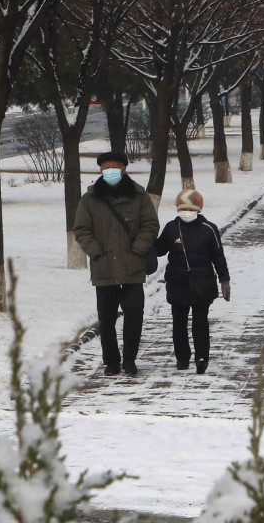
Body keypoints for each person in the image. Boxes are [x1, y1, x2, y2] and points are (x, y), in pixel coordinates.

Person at [73, 150, 160, 376]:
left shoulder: (139, 196)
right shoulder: (90, 199)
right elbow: (81, 229)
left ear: (124, 169)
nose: (109, 172)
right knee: (106, 318)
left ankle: (130, 360)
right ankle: (111, 361)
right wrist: (95, 251)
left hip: (132, 266)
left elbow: (150, 225)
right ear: (100, 171)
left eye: (114, 168)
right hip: (104, 267)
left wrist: (139, 248)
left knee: (134, 315)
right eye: (105, 168)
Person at [156, 189, 230, 374]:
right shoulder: (171, 228)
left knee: (200, 321)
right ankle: (182, 358)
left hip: (201, 283)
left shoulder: (209, 229)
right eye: (183, 208)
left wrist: (224, 279)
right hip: (177, 282)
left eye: (190, 208)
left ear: (198, 209)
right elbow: (159, 250)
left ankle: (202, 358)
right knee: (179, 322)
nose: (187, 212)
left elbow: (218, 256)